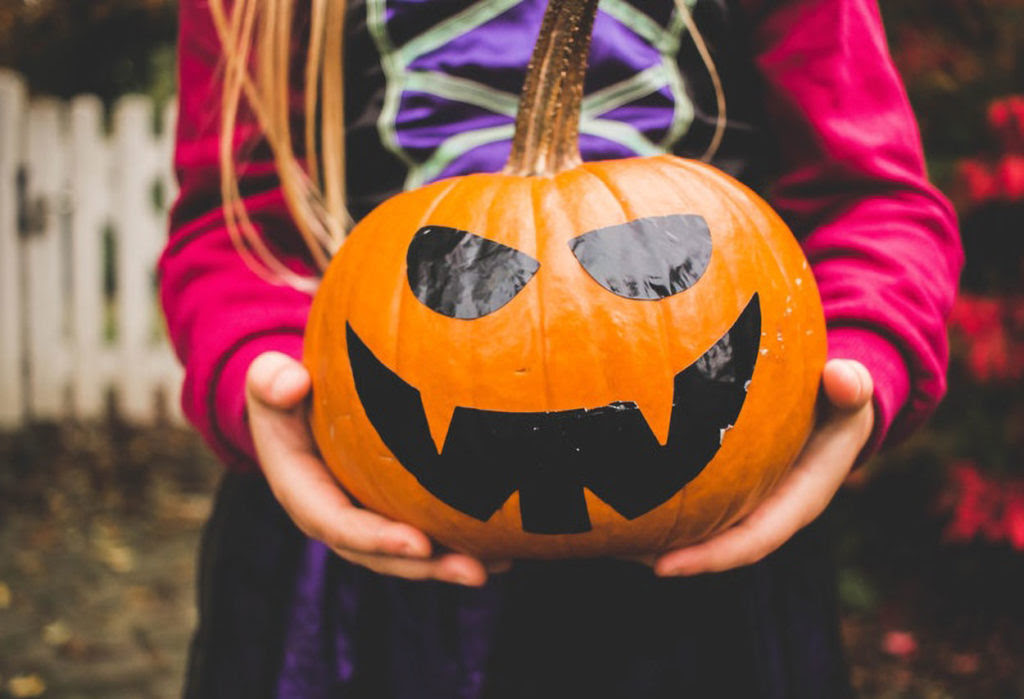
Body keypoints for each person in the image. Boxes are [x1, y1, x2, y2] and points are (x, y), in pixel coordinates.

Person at [160, 0, 962, 696]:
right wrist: (255, 372)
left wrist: (864, 354)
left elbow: (873, 199)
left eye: (654, 262)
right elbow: (232, 225)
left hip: (713, 531)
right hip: (358, 537)